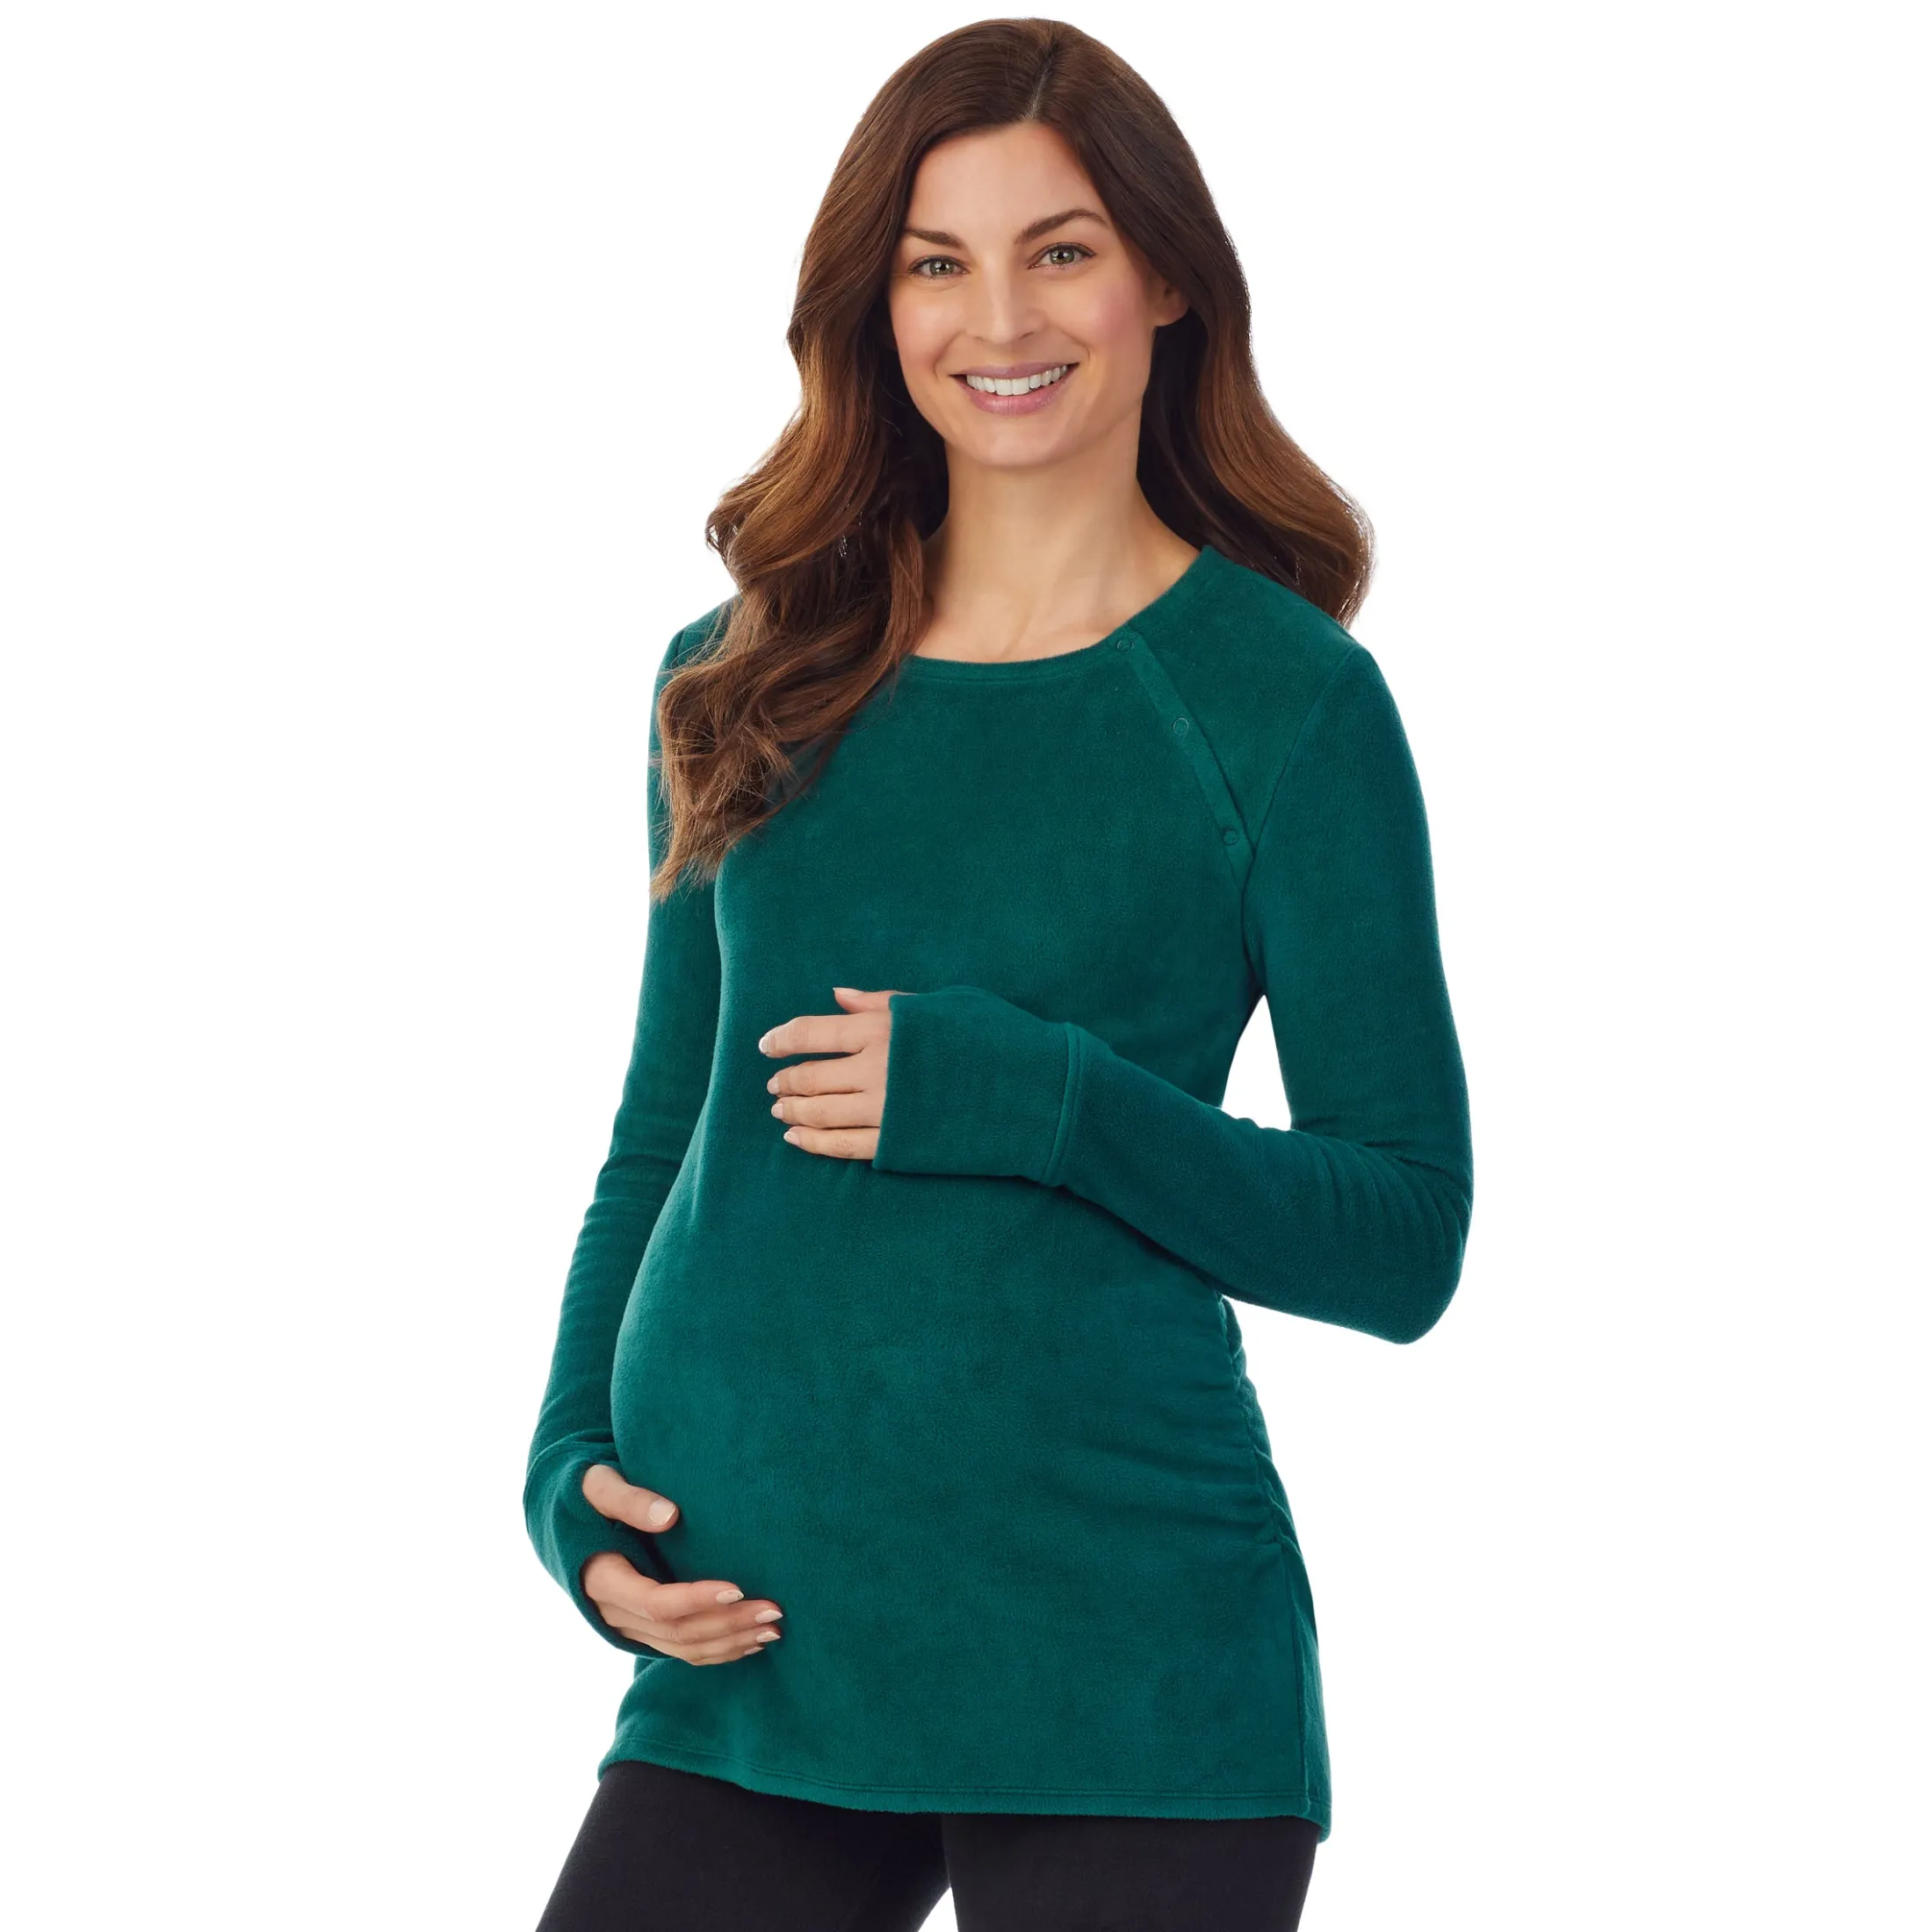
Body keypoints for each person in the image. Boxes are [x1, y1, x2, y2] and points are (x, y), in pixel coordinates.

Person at [523, 18, 1473, 1930]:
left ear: (1165, 281)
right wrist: (571, 1472)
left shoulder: (1282, 705)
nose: (999, 318)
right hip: (755, 1652)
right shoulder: (742, 673)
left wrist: (1036, 1095)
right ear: (874, 306)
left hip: (1125, 1670)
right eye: (935, 262)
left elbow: (1400, 1235)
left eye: (1060, 249)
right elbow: (664, 1133)